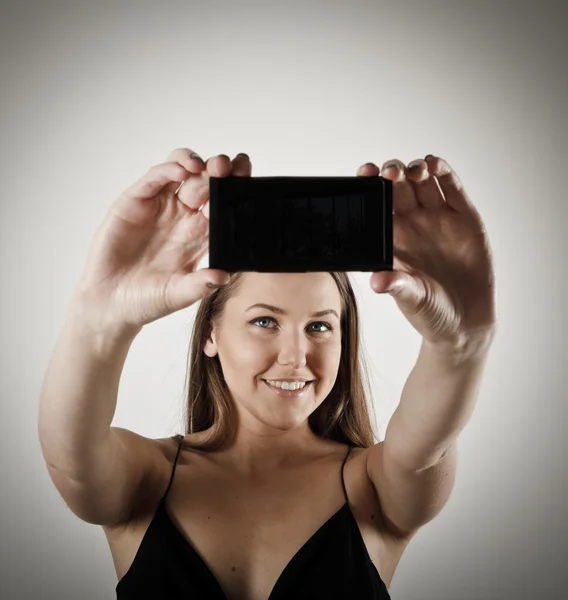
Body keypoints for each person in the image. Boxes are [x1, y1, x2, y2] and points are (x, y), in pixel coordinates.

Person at [38, 148, 497, 599]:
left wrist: (460, 346)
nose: (296, 356)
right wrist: (98, 320)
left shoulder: (375, 487)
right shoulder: (145, 478)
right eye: (264, 321)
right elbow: (71, 459)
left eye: (319, 326)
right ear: (210, 335)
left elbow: (423, 452)